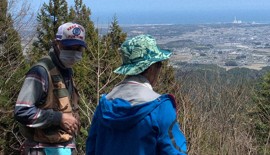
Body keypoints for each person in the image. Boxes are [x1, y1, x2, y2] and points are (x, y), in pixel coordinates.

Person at [86, 34, 187, 155]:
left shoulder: (103, 106)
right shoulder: (161, 108)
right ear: (151, 68)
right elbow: (175, 151)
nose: (160, 70)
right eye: (159, 64)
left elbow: (91, 148)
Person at [15, 22, 86, 155]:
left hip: (63, 147)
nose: (73, 53)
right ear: (57, 43)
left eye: (78, 49)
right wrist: (59, 118)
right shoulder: (41, 71)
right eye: (69, 47)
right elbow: (22, 110)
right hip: (43, 149)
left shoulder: (66, 71)